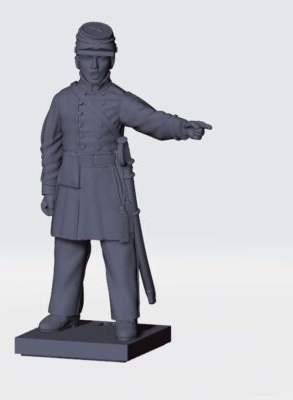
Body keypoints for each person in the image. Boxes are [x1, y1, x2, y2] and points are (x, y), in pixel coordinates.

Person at [38, 22, 212, 340]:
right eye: (87, 57)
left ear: (112, 60)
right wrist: (48, 190)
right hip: (72, 186)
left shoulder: (118, 100)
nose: (94, 65)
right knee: (67, 251)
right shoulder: (62, 100)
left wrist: (182, 127)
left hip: (108, 184)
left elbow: (151, 119)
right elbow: (50, 146)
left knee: (120, 251)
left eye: (101, 57)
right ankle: (63, 311)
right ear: (76, 59)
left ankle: (125, 316)